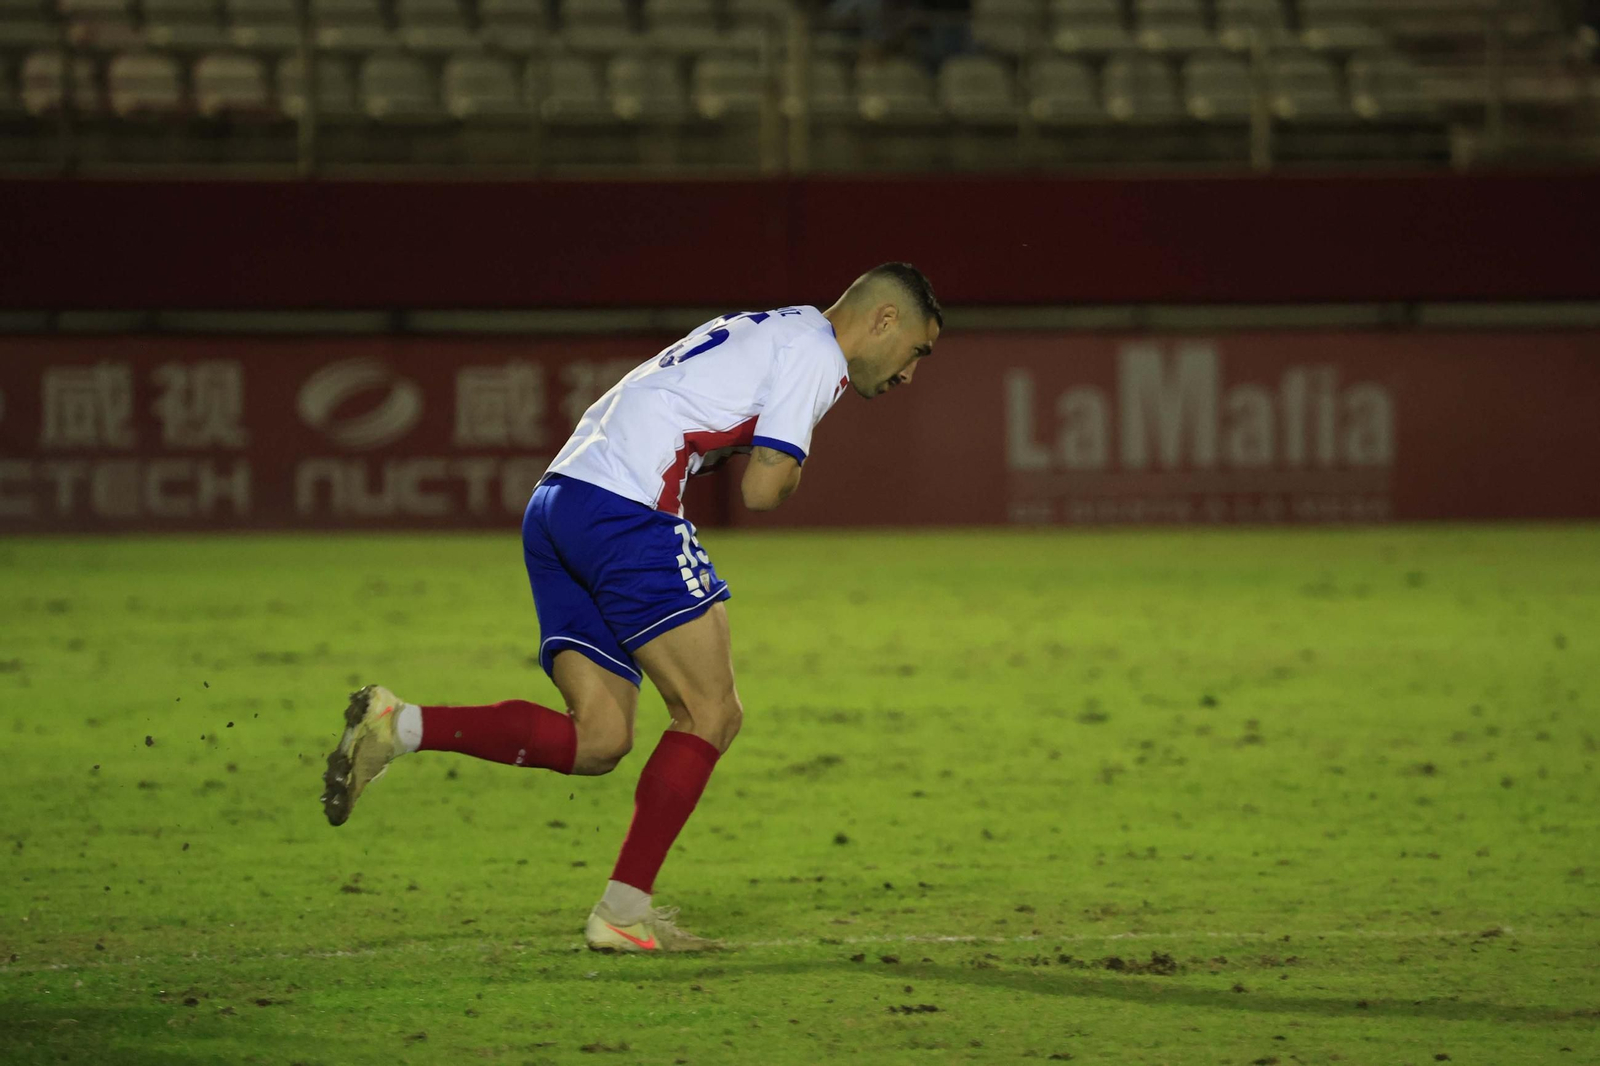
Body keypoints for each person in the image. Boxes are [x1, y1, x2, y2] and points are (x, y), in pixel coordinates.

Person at [320, 263, 943, 952]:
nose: (910, 374)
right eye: (917, 351)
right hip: (625, 511)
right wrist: (790, 465)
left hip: (558, 502)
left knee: (600, 738)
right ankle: (623, 912)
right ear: (885, 319)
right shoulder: (817, 352)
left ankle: (397, 726)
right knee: (711, 712)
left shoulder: (782, 325)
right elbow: (764, 491)